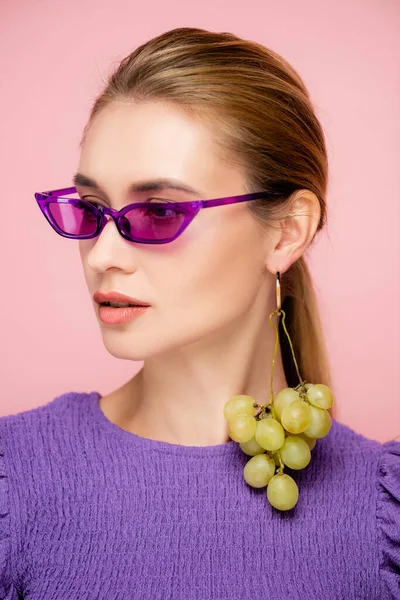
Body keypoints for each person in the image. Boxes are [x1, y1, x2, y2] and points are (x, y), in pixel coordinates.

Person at [1, 26, 399, 600]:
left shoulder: (380, 521)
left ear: (288, 232)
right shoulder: (17, 484)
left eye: (159, 211)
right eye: (91, 208)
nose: (103, 257)